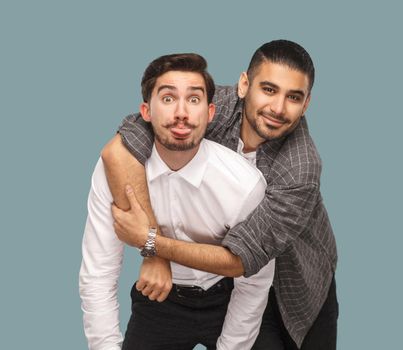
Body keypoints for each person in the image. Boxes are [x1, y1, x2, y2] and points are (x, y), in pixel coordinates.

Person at [103, 40, 338, 349]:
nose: (278, 108)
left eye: (293, 97)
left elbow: (241, 259)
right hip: (222, 281)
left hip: (294, 278)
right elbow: (119, 150)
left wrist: (151, 242)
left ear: (306, 104)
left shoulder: (301, 167)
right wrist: (155, 254)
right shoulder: (213, 107)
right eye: (268, 89)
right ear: (244, 85)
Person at [79, 53, 275, 350]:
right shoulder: (113, 172)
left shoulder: (244, 184)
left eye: (194, 100)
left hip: (228, 298)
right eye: (168, 99)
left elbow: (254, 282)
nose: (181, 112)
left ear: (210, 113)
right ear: (146, 111)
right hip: (158, 297)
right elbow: (99, 271)